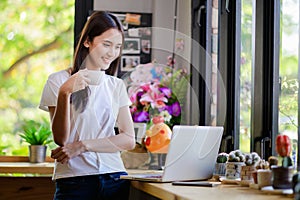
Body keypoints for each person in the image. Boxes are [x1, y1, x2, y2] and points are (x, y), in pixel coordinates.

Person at [39, 11, 135, 200]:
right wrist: (65, 92)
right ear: (87, 41)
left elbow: (128, 139)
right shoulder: (58, 81)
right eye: (106, 44)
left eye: (117, 47)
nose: (112, 53)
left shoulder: (115, 85)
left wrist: (83, 145)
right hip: (75, 180)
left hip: (114, 177)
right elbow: (61, 139)